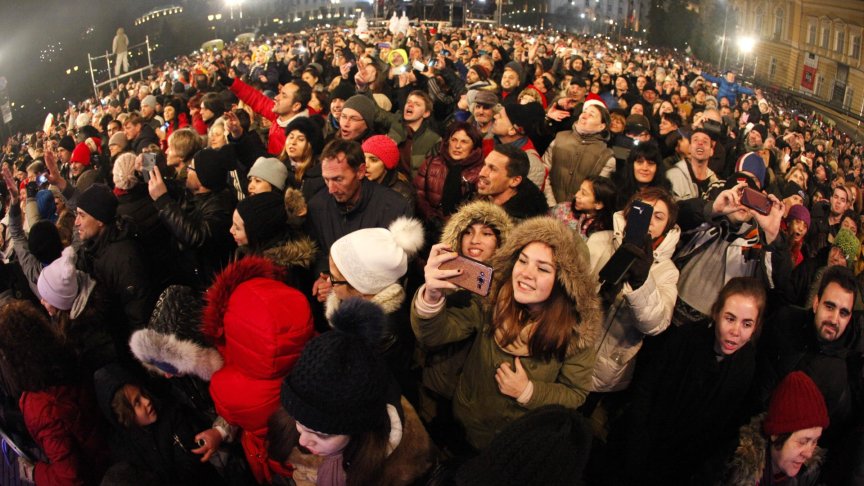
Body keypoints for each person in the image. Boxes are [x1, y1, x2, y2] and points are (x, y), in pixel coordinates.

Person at [412, 216, 601, 449]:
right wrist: (431, 297)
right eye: (523, 260)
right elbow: (434, 335)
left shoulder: (576, 332)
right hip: (465, 423)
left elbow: (575, 393)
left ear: (565, 282)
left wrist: (528, 392)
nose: (526, 274)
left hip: (515, 440)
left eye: (543, 268)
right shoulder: (491, 300)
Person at [603, 277, 767, 484]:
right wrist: (636, 448)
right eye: (730, 318)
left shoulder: (745, 364)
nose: (736, 331)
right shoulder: (686, 338)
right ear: (716, 312)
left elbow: (719, 428)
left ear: (755, 327)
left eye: (747, 324)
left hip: (681, 468)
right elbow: (646, 389)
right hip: (642, 447)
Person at [270, 298, 434, 486]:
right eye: (299, 422)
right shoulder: (290, 430)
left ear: (358, 428)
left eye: (323, 435)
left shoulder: (399, 464)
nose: (303, 441)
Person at [199, 256, 316, 483]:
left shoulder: (227, 389)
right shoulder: (319, 354)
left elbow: (230, 417)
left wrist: (220, 430)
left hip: (274, 461)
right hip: (315, 460)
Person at [0, 301, 110, 484]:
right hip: (104, 445)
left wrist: (35, 473)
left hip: (95, 472)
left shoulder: (42, 409)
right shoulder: (67, 348)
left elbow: (71, 478)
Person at [590, 187, 680, 399]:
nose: (649, 221)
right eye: (644, 211)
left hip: (609, 367)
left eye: (658, 217)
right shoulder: (598, 241)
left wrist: (642, 283)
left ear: (667, 227)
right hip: (571, 349)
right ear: (629, 212)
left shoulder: (668, 272)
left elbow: (656, 325)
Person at [756, 266, 860, 445]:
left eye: (843, 313)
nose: (834, 319)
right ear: (816, 303)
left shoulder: (839, 375)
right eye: (830, 306)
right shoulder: (784, 320)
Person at [305, 139, 412, 300]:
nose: (331, 189)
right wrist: (324, 276)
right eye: (326, 179)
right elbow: (318, 251)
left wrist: (344, 285)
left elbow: (398, 266)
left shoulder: (395, 208)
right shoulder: (317, 205)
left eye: (338, 179)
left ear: (360, 171)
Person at [94, 363, 226, 485]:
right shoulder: (122, 450)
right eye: (137, 402)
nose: (147, 401)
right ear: (125, 416)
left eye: (142, 393)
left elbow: (192, 467)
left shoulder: (172, 414)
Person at [716, 371, 829, 485]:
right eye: (802, 442)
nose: (809, 454)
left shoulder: (807, 474)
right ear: (776, 434)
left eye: (814, 442)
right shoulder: (730, 470)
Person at [148, 148, 237, 289]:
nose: (187, 171)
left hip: (206, 285)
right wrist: (146, 164)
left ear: (202, 178)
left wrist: (163, 202)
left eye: (191, 168)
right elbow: (170, 186)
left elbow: (196, 237)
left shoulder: (220, 208)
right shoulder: (193, 192)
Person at [543, 94, 615, 205]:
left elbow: (597, 192)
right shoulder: (559, 138)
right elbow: (544, 172)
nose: (584, 116)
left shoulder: (606, 156)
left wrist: (575, 209)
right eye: (584, 112)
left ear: (602, 126)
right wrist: (553, 205)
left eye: (591, 115)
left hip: (581, 210)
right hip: (549, 205)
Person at [413, 122, 485, 226]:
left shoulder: (481, 171)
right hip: (429, 224)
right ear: (448, 142)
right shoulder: (431, 163)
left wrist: (453, 224)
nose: (457, 146)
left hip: (463, 227)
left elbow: (480, 205)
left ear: (474, 146)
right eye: (454, 140)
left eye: (464, 142)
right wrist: (431, 217)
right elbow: (418, 193)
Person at [549, 175, 617, 275]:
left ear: (598, 204)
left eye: (584, 193)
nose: (576, 195)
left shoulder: (603, 232)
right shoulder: (562, 209)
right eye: (579, 189)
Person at [477, 144, 548, 221]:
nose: (481, 173)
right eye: (484, 165)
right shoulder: (477, 198)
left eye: (493, 169)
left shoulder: (520, 223)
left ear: (515, 181)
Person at [362, 135, 415, 208]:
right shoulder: (358, 185)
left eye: (373, 160)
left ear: (387, 165)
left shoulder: (402, 194)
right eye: (363, 158)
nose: (366, 165)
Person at [666, 128, 719, 201]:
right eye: (695, 140)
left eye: (705, 141)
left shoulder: (716, 181)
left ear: (711, 151)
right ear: (690, 148)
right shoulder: (673, 175)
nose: (700, 143)